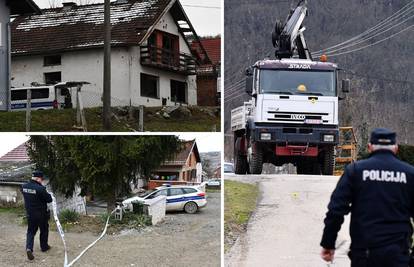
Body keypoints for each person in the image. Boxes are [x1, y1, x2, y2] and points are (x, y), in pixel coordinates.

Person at [320, 128, 414, 267]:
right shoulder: (409, 174)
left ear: (370, 147)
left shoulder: (356, 171)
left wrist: (328, 244)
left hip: (364, 254)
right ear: (396, 148)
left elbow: (336, 210)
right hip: (398, 254)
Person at [21, 170, 52, 261]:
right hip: (41, 214)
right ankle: (44, 247)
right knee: (44, 230)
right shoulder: (41, 189)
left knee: (31, 231)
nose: (42, 181)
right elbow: (49, 199)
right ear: (38, 179)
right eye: (41, 179)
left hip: (30, 214)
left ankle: (29, 248)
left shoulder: (23, 186)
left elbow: (25, 193)